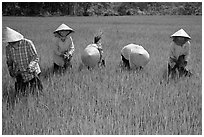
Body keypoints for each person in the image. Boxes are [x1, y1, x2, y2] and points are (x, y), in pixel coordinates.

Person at [3, 27, 43, 101]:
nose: (12, 45)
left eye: (13, 42)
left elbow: (35, 57)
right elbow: (9, 61)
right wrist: (11, 70)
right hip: (20, 73)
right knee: (20, 94)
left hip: (33, 73)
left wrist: (30, 66)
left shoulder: (27, 43)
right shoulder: (8, 48)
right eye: (10, 43)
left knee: (36, 92)